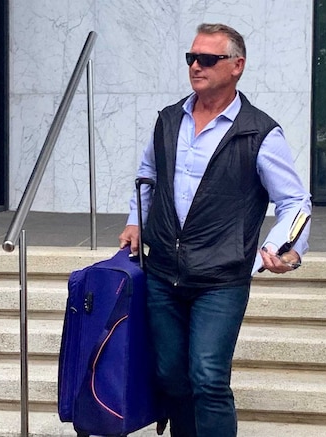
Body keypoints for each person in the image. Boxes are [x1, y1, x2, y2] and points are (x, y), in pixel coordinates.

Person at [118, 23, 311, 437]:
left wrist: (283, 247)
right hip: (163, 272)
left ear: (237, 66)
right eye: (192, 58)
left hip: (221, 278)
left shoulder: (259, 132)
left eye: (208, 59)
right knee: (171, 376)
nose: (196, 66)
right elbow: (148, 174)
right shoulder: (169, 120)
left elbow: (296, 201)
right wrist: (136, 220)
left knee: (207, 377)